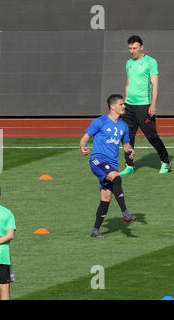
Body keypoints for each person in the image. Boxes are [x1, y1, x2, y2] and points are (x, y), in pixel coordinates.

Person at [80, 94, 138, 238]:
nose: (124, 106)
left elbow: (125, 145)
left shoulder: (123, 126)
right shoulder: (99, 122)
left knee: (106, 198)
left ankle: (95, 230)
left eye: (124, 104)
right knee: (117, 178)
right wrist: (83, 147)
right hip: (98, 161)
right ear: (112, 106)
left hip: (112, 164)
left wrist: (129, 150)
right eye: (121, 104)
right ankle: (125, 213)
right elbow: (84, 139)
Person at [119, 35, 171, 175]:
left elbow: (155, 85)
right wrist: (124, 103)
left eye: (134, 48)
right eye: (130, 48)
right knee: (127, 137)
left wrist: (153, 104)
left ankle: (166, 162)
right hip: (129, 106)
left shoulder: (151, 62)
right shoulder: (129, 63)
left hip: (144, 105)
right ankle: (129, 165)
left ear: (142, 47)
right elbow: (128, 84)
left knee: (151, 136)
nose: (132, 51)